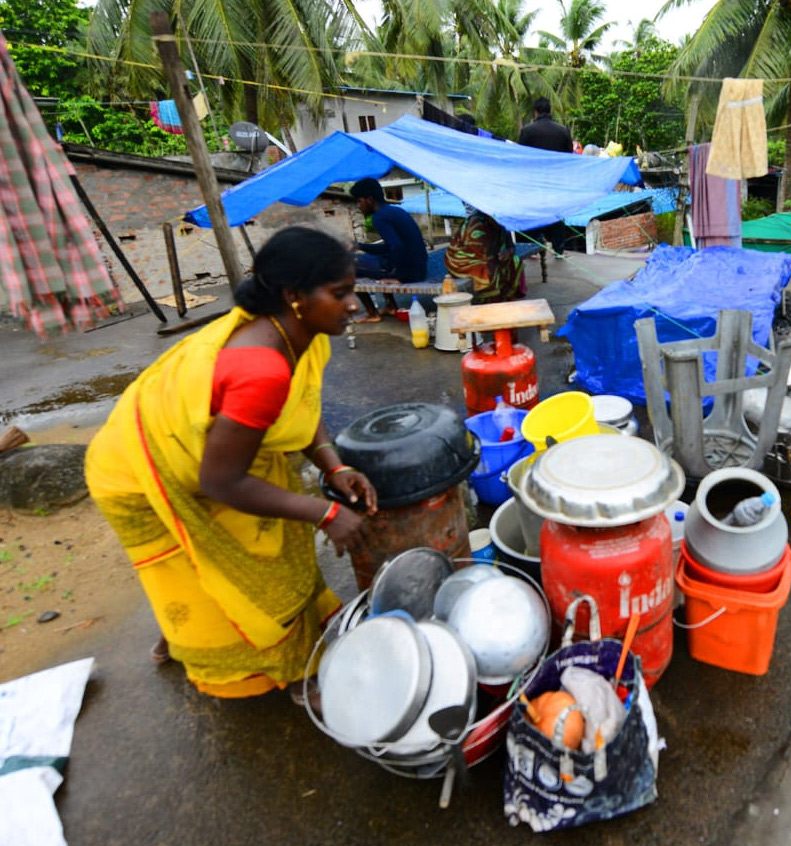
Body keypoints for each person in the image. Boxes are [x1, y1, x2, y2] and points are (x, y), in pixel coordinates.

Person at [85, 227, 378, 701]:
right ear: (294, 297)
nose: (352, 304)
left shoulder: (301, 334)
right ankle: (289, 670)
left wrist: (333, 467)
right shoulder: (260, 368)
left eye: (352, 289)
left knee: (247, 554)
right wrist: (325, 514)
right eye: (340, 293)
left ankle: (184, 633)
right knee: (247, 575)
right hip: (141, 469)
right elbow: (220, 481)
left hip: (211, 454)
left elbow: (300, 409)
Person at [518, 97, 572, 257]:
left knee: (534, 212)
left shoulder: (527, 131)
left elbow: (521, 157)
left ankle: (533, 249)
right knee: (556, 214)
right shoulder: (562, 130)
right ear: (550, 111)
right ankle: (559, 250)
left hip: (534, 180)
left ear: (535, 112)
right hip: (556, 180)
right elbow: (569, 156)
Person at [349, 177, 428, 284]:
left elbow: (396, 247)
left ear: (370, 200)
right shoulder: (396, 211)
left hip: (408, 275)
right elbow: (391, 246)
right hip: (420, 270)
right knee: (363, 259)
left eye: (359, 201)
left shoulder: (379, 217)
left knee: (349, 266)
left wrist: (399, 278)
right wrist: (359, 246)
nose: (358, 206)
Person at [445, 206, 527, 303]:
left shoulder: (502, 223)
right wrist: (498, 256)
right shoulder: (476, 224)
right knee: (489, 269)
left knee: (514, 261)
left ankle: (505, 293)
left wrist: (508, 252)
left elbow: (511, 246)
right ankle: (489, 300)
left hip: (490, 256)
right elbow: (481, 253)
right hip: (464, 259)